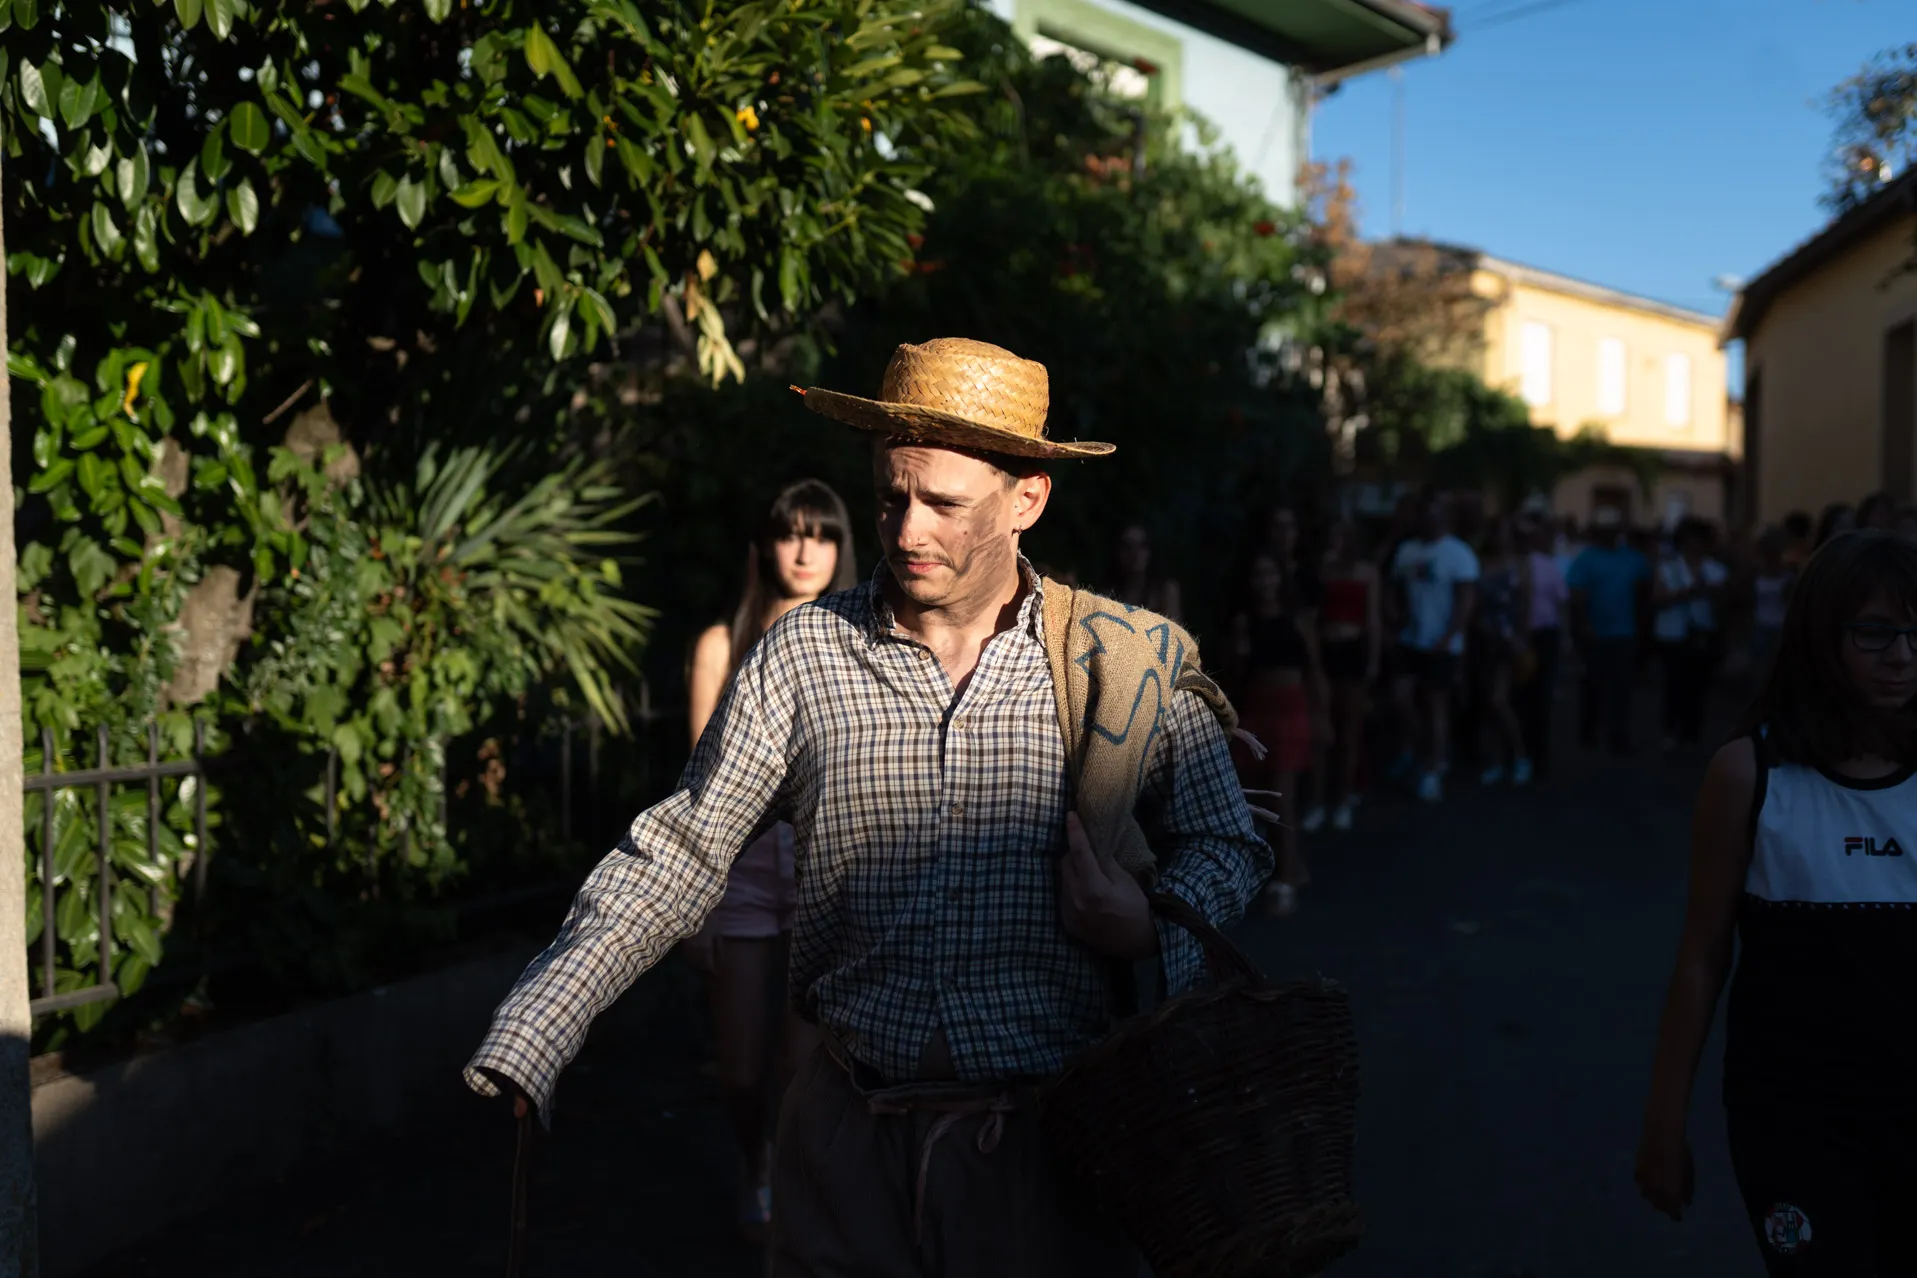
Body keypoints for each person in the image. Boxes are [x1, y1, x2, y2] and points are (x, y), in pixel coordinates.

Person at [464, 338, 1270, 1277]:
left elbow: (1229, 840)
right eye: (891, 497)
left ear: (1028, 499)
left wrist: (1148, 921)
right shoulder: (803, 653)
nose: (906, 530)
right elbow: (683, 849)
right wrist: (540, 1023)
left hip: (1051, 1154)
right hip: (841, 1145)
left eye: (942, 503)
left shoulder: (1116, 662)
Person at [1636, 530, 1917, 1274]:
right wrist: (1663, 1119)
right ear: (1820, 636)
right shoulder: (1750, 775)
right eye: (1875, 632)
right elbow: (1701, 953)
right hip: (1792, 1120)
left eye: (1916, 633)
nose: (1901, 656)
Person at [685, 479, 856, 1239]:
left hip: (831, 869)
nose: (804, 549)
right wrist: (691, 906)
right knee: (741, 1073)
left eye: (820, 534)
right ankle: (752, 1161)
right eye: (791, 532)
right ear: (765, 544)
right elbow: (696, 786)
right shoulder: (723, 644)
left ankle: (787, 1186)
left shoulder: (862, 639)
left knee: (800, 1067)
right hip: (743, 873)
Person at [1229, 551, 1323, 914]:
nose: (1264, 583)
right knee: (1254, 794)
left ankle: (1288, 873)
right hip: (1256, 706)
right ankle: (1275, 868)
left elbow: (1313, 670)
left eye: (1270, 575)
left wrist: (1320, 716)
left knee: (1282, 794)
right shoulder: (1244, 622)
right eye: (1258, 575)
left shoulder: (1297, 620)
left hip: (1291, 705)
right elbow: (1237, 675)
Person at [1387, 492, 1479, 803]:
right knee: (1400, 699)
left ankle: (1433, 769)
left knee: (1435, 706)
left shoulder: (1459, 554)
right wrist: (1395, 619)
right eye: (1425, 513)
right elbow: (1395, 589)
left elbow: (1466, 601)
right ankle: (1422, 748)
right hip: (1410, 640)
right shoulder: (1407, 550)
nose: (1429, 519)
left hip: (1441, 644)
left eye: (1435, 513)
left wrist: (1448, 636)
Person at [1308, 519, 1380, 832]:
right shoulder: (1323, 571)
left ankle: (1343, 798)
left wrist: (1374, 660)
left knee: (1349, 730)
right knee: (1323, 730)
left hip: (1353, 651)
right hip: (1327, 649)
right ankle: (1318, 800)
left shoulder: (1367, 572)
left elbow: (1373, 618)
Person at [1568, 506, 1649, 756]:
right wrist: (1583, 624)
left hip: (1625, 631)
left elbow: (1644, 591)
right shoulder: (1586, 559)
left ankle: (1618, 736)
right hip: (1596, 632)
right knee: (1593, 684)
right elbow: (1577, 596)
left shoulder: (1633, 559)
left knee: (1622, 687)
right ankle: (1590, 730)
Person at [1651, 518, 1729, 749]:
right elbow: (1657, 600)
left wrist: (1714, 596)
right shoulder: (1667, 568)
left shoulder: (1716, 570)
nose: (1694, 544)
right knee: (1674, 683)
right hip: (1673, 633)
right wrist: (1687, 593)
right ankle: (1670, 728)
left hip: (1702, 633)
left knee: (1698, 685)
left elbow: (1725, 605)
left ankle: (1692, 731)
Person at [1470, 516, 1532, 786]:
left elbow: (1526, 604)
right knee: (1488, 704)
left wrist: (1522, 637)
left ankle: (1520, 755)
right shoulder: (1481, 564)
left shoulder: (1519, 565)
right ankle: (1495, 760)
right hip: (1484, 637)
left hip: (1507, 639)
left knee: (1498, 700)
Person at [1515, 514, 1569, 778]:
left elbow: (1561, 604)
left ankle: (1538, 756)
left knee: (1539, 697)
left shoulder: (1548, 565)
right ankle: (1520, 752)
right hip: (1518, 635)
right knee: (1519, 696)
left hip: (1543, 635)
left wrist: (1566, 638)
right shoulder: (1512, 565)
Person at [1110, 522, 1182, 621]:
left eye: (1142, 546)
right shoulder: (1111, 591)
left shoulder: (1165, 590)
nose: (1135, 554)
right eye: (1128, 547)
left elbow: (1174, 632)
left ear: (1150, 550)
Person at [1749, 528, 1793, 682]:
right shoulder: (1755, 573)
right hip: (1760, 626)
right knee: (1760, 671)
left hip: (1781, 627)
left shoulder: (1789, 574)